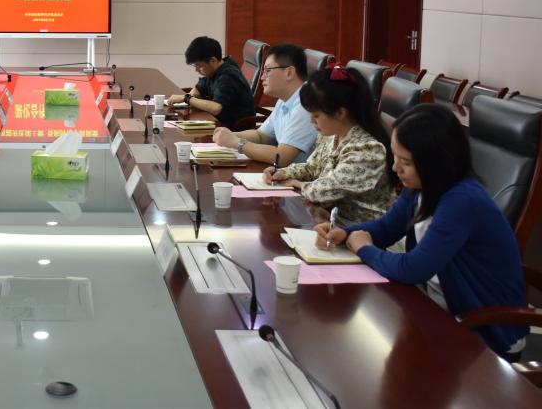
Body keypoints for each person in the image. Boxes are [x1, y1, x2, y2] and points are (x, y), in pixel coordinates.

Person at [316, 104, 527, 358]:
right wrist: (346, 233)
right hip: (438, 303)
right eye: (395, 156)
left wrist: (364, 248)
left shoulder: (462, 200)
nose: (395, 168)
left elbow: (413, 268)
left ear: (436, 162)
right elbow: (387, 228)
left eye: (405, 162)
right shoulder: (422, 187)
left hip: (483, 328)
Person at [264, 64, 394, 224]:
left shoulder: (368, 149)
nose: (311, 121)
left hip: (364, 230)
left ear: (340, 113)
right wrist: (283, 173)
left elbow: (325, 192)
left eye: (316, 115)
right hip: (333, 221)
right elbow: (312, 168)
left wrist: (296, 184)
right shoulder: (332, 136)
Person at [213, 43, 317, 165]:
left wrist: (237, 143)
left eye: (268, 70)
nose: (262, 77)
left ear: (289, 72)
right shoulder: (285, 99)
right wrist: (230, 136)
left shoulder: (305, 104)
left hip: (302, 176)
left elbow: (282, 157)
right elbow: (262, 136)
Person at [165, 36, 254, 128]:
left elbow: (216, 108)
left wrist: (186, 98)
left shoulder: (227, 76)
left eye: (199, 66)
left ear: (213, 60)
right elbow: (198, 88)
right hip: (219, 122)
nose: (196, 70)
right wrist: (191, 95)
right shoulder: (216, 68)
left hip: (236, 129)